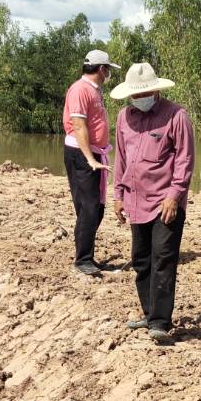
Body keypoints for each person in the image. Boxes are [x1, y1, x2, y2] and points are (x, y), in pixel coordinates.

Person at [110, 63, 194, 344]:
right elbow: (121, 157)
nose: (141, 97)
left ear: (156, 90)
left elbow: (184, 159)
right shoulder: (124, 117)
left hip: (165, 202)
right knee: (141, 260)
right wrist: (118, 195)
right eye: (136, 94)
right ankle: (148, 312)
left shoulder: (176, 116)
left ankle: (160, 320)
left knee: (163, 260)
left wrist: (174, 195)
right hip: (135, 200)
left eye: (145, 92)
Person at [63, 48, 119, 276]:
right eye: (108, 70)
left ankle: (86, 255)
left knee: (96, 207)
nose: (108, 74)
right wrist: (90, 159)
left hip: (94, 154)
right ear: (101, 69)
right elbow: (78, 126)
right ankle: (83, 259)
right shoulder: (80, 89)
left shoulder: (93, 90)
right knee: (88, 207)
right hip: (83, 155)